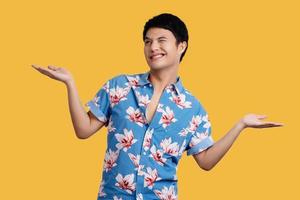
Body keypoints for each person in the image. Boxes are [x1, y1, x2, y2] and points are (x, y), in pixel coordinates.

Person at [32, 13, 283, 200]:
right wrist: (70, 84)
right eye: (147, 41)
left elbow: (206, 161)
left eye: (162, 40)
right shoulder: (119, 86)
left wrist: (240, 125)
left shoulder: (191, 108)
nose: (153, 47)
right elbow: (83, 130)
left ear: (181, 46)